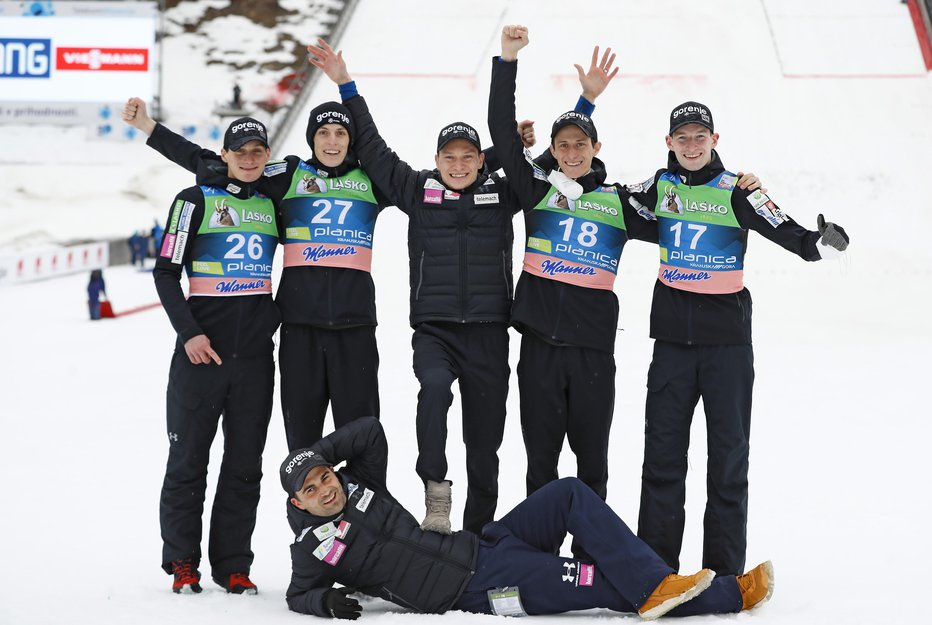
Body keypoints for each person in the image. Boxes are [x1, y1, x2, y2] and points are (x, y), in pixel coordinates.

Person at [304, 38, 612, 535]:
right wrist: (346, 86)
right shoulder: (414, 189)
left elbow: (563, 158)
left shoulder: (506, 190)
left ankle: (478, 534)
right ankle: (436, 490)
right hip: (436, 331)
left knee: (485, 441)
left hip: (490, 332)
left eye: (469, 157)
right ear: (437, 160)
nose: (459, 165)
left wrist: (584, 103)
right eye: (450, 157)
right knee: (434, 389)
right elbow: (373, 146)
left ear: (480, 161)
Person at [625, 101, 850, 576]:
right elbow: (607, 196)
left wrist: (821, 242)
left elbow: (790, 234)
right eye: (681, 137)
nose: (690, 145)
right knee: (662, 459)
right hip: (670, 346)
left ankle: (723, 575)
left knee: (727, 460)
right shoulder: (658, 186)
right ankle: (654, 572)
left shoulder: (739, 191)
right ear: (668, 143)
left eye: (699, 137)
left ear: (714, 140)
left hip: (726, 347)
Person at [280, 417, 774, 620]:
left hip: (484, 544)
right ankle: (729, 593)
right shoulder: (312, 546)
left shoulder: (361, 485)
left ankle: (656, 584)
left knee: (567, 493)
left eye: (325, 476)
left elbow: (368, 431)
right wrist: (326, 603)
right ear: (298, 504)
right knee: (598, 583)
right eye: (312, 489)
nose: (326, 489)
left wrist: (311, 455)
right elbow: (297, 593)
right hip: (477, 590)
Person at [123, 95, 387, 453]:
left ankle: (363, 510)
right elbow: (216, 164)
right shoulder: (291, 174)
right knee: (303, 450)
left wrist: (485, 162)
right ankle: (306, 510)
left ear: (351, 138)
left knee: (362, 440)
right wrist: (150, 128)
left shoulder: (370, 179)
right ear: (311, 139)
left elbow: (427, 178)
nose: (332, 141)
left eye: (341, 132)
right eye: (323, 132)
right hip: (300, 329)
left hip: (354, 328)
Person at [487, 26, 663, 543]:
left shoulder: (618, 201)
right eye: (561, 146)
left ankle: (592, 556)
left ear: (594, 146)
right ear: (554, 151)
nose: (570, 152)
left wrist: (739, 197)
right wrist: (507, 60)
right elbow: (501, 131)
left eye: (579, 144)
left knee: (592, 465)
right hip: (539, 349)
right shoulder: (536, 191)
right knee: (540, 464)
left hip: (591, 354)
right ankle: (538, 554)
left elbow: (682, 224)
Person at [152, 115, 281, 595]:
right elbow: (165, 273)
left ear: (266, 156)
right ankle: (182, 562)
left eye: (257, 151)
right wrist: (189, 333)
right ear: (223, 155)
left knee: (245, 465)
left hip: (253, 361)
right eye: (239, 151)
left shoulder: (274, 203)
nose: (249, 159)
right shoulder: (193, 201)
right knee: (188, 461)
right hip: (200, 356)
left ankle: (232, 565)